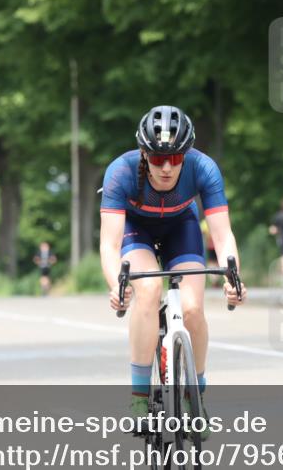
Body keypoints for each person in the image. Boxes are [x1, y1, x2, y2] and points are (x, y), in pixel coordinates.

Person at [100, 105, 246, 426]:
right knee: (149, 289)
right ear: (143, 154)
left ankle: (196, 397)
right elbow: (110, 244)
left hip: (182, 228)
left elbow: (222, 236)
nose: (166, 167)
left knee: (193, 308)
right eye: (156, 159)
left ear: (187, 154)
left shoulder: (204, 168)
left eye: (176, 158)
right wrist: (117, 286)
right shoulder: (120, 172)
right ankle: (139, 397)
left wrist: (232, 278)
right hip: (136, 230)